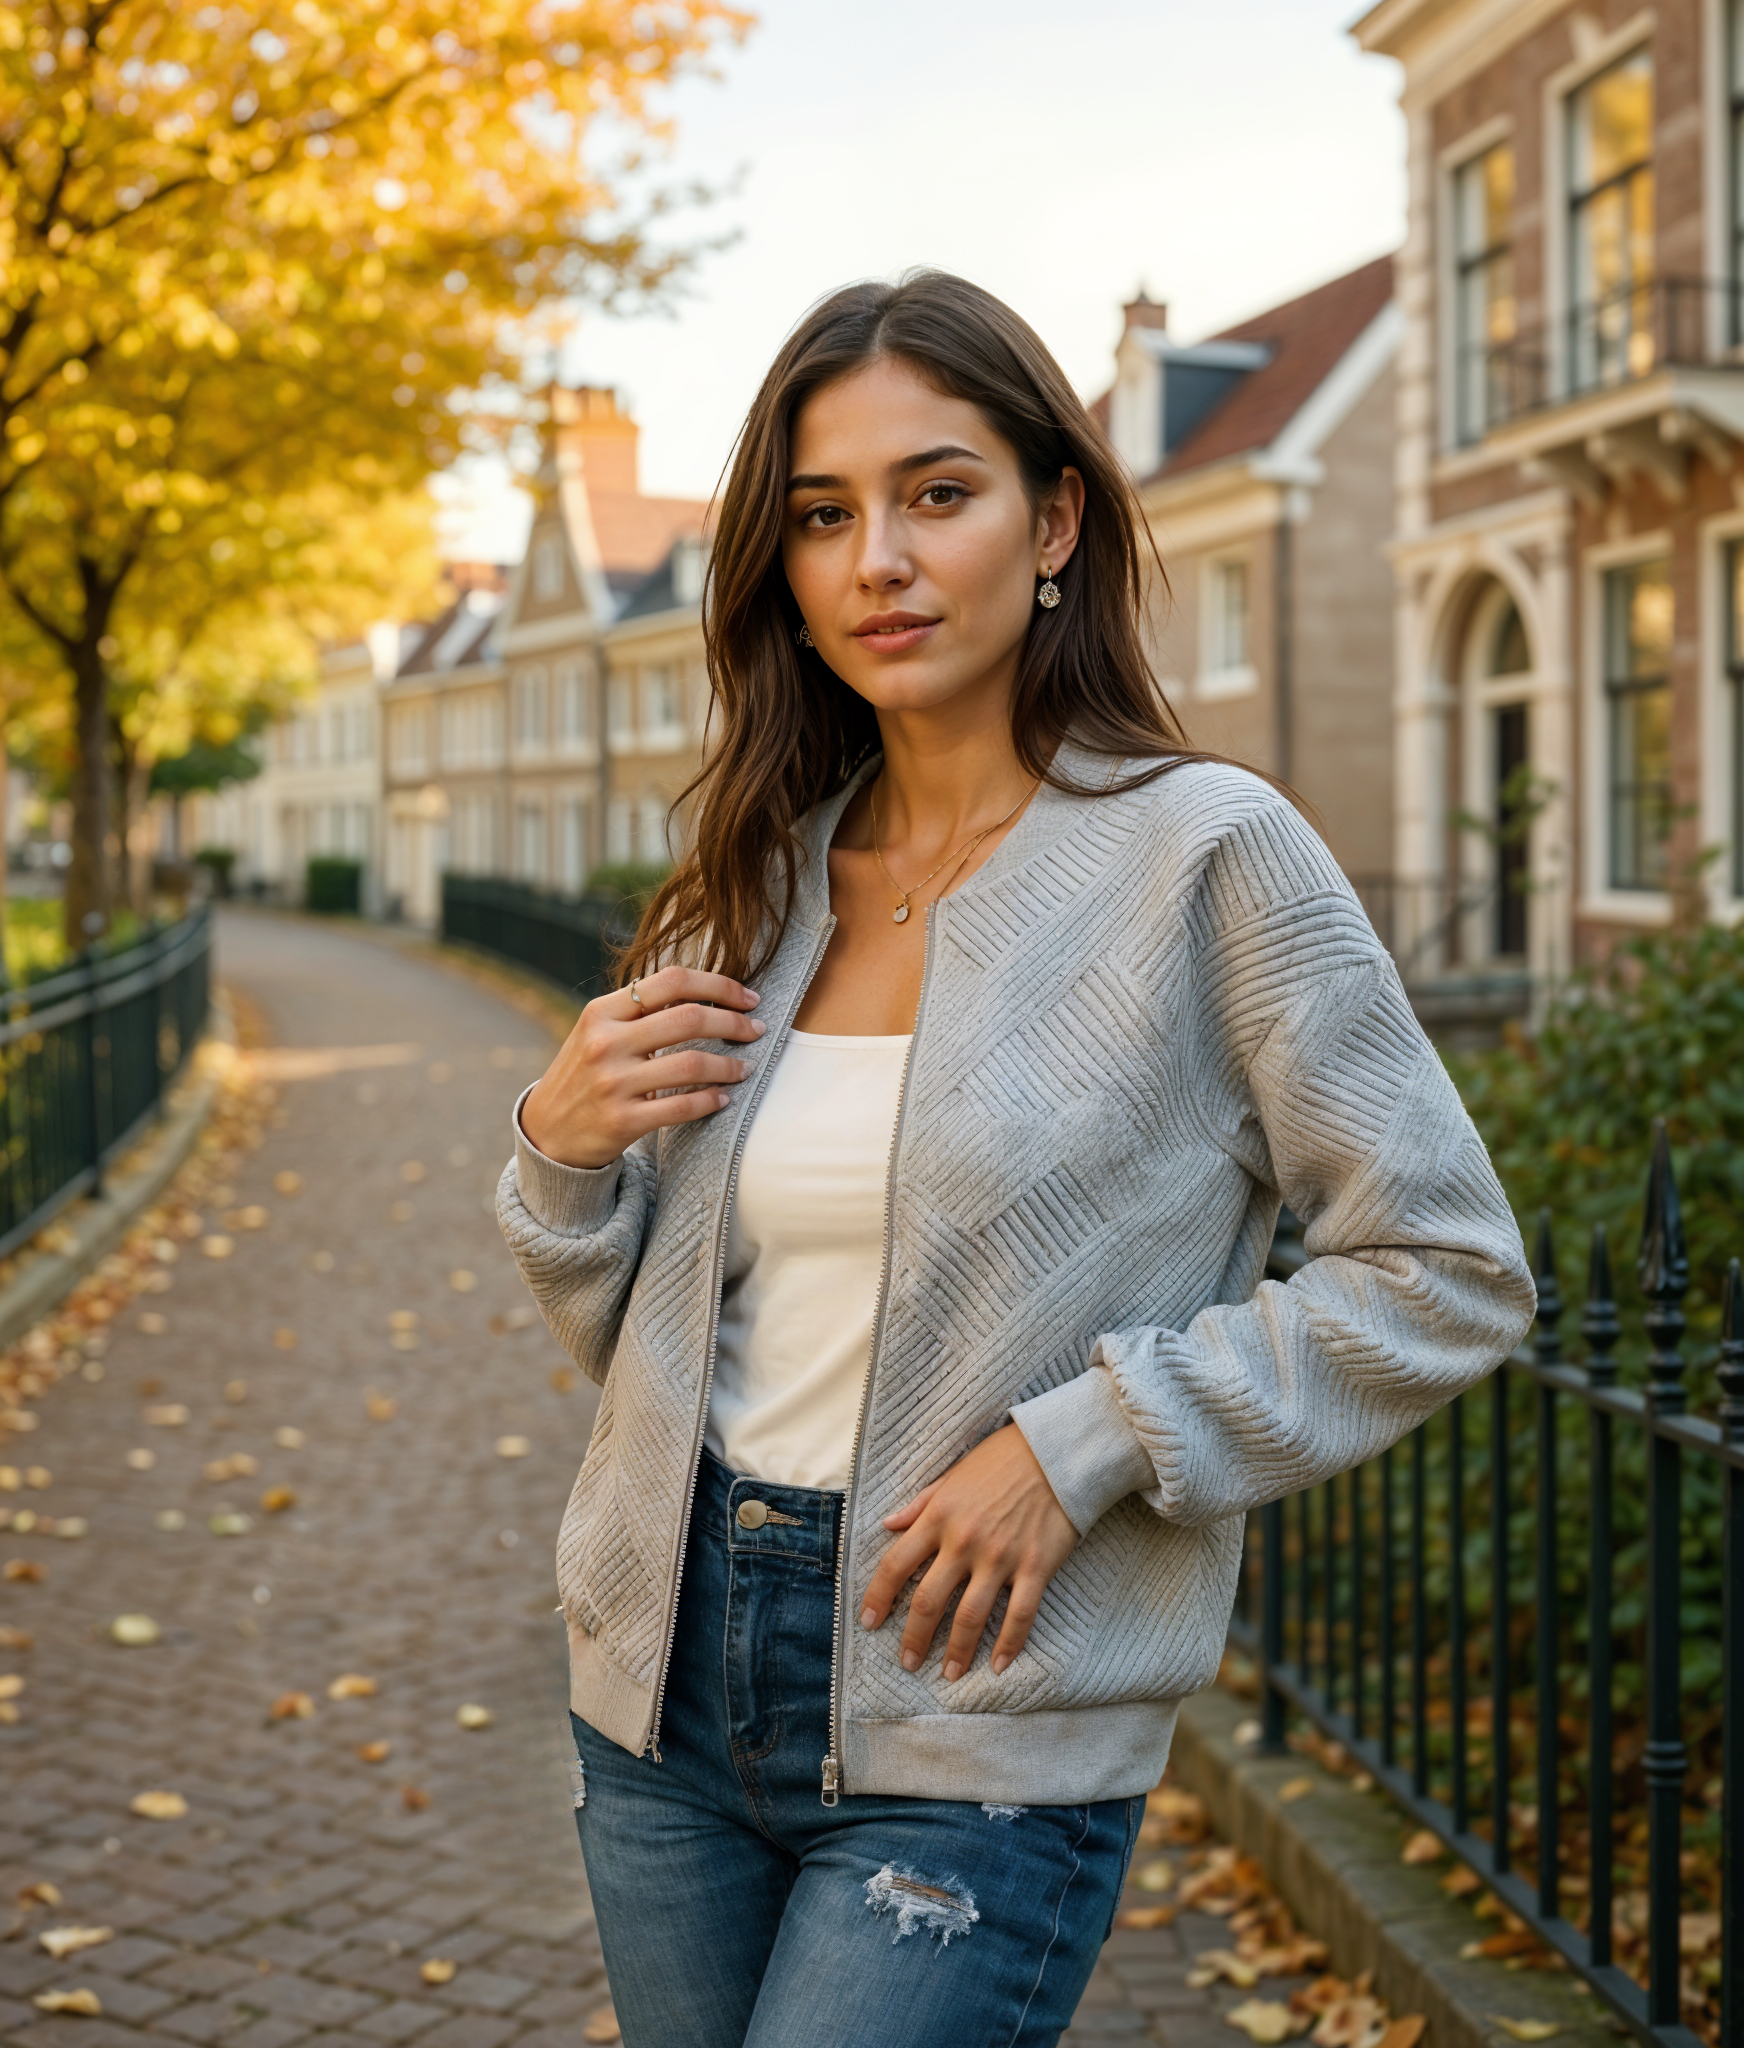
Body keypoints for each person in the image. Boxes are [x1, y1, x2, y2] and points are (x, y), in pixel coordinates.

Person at [498, 270, 1534, 2048]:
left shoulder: (1208, 860)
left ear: (1055, 518)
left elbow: (1447, 1270)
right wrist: (561, 1155)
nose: (878, 559)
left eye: (938, 493)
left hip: (976, 1713)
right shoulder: (747, 882)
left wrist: (1086, 1444)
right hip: (660, 1696)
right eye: (824, 517)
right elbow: (639, 1348)